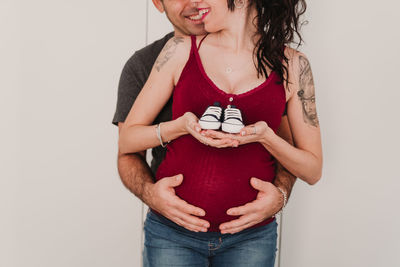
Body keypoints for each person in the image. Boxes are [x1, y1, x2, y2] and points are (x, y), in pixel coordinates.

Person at [115, 0, 322, 266]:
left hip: (251, 238)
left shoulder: (294, 66)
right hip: (173, 235)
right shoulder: (179, 50)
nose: (196, 2)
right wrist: (181, 126)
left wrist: (266, 137)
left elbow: (313, 169)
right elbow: (127, 140)